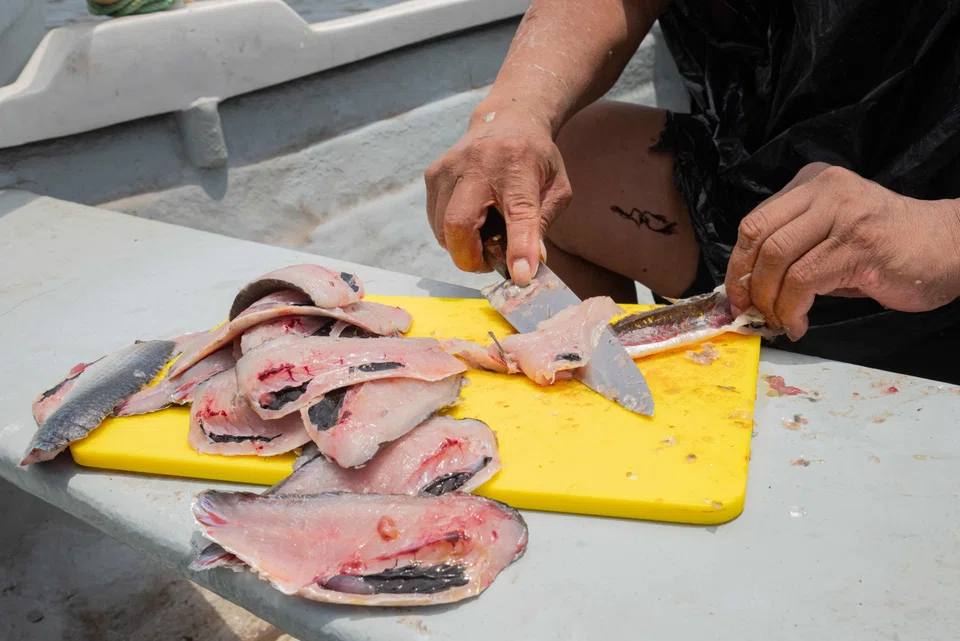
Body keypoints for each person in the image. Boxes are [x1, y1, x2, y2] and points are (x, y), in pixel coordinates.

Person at [424, 0, 960, 384]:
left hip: (935, 259)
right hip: (748, 198)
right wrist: (515, 112)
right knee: (564, 161)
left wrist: (944, 235)